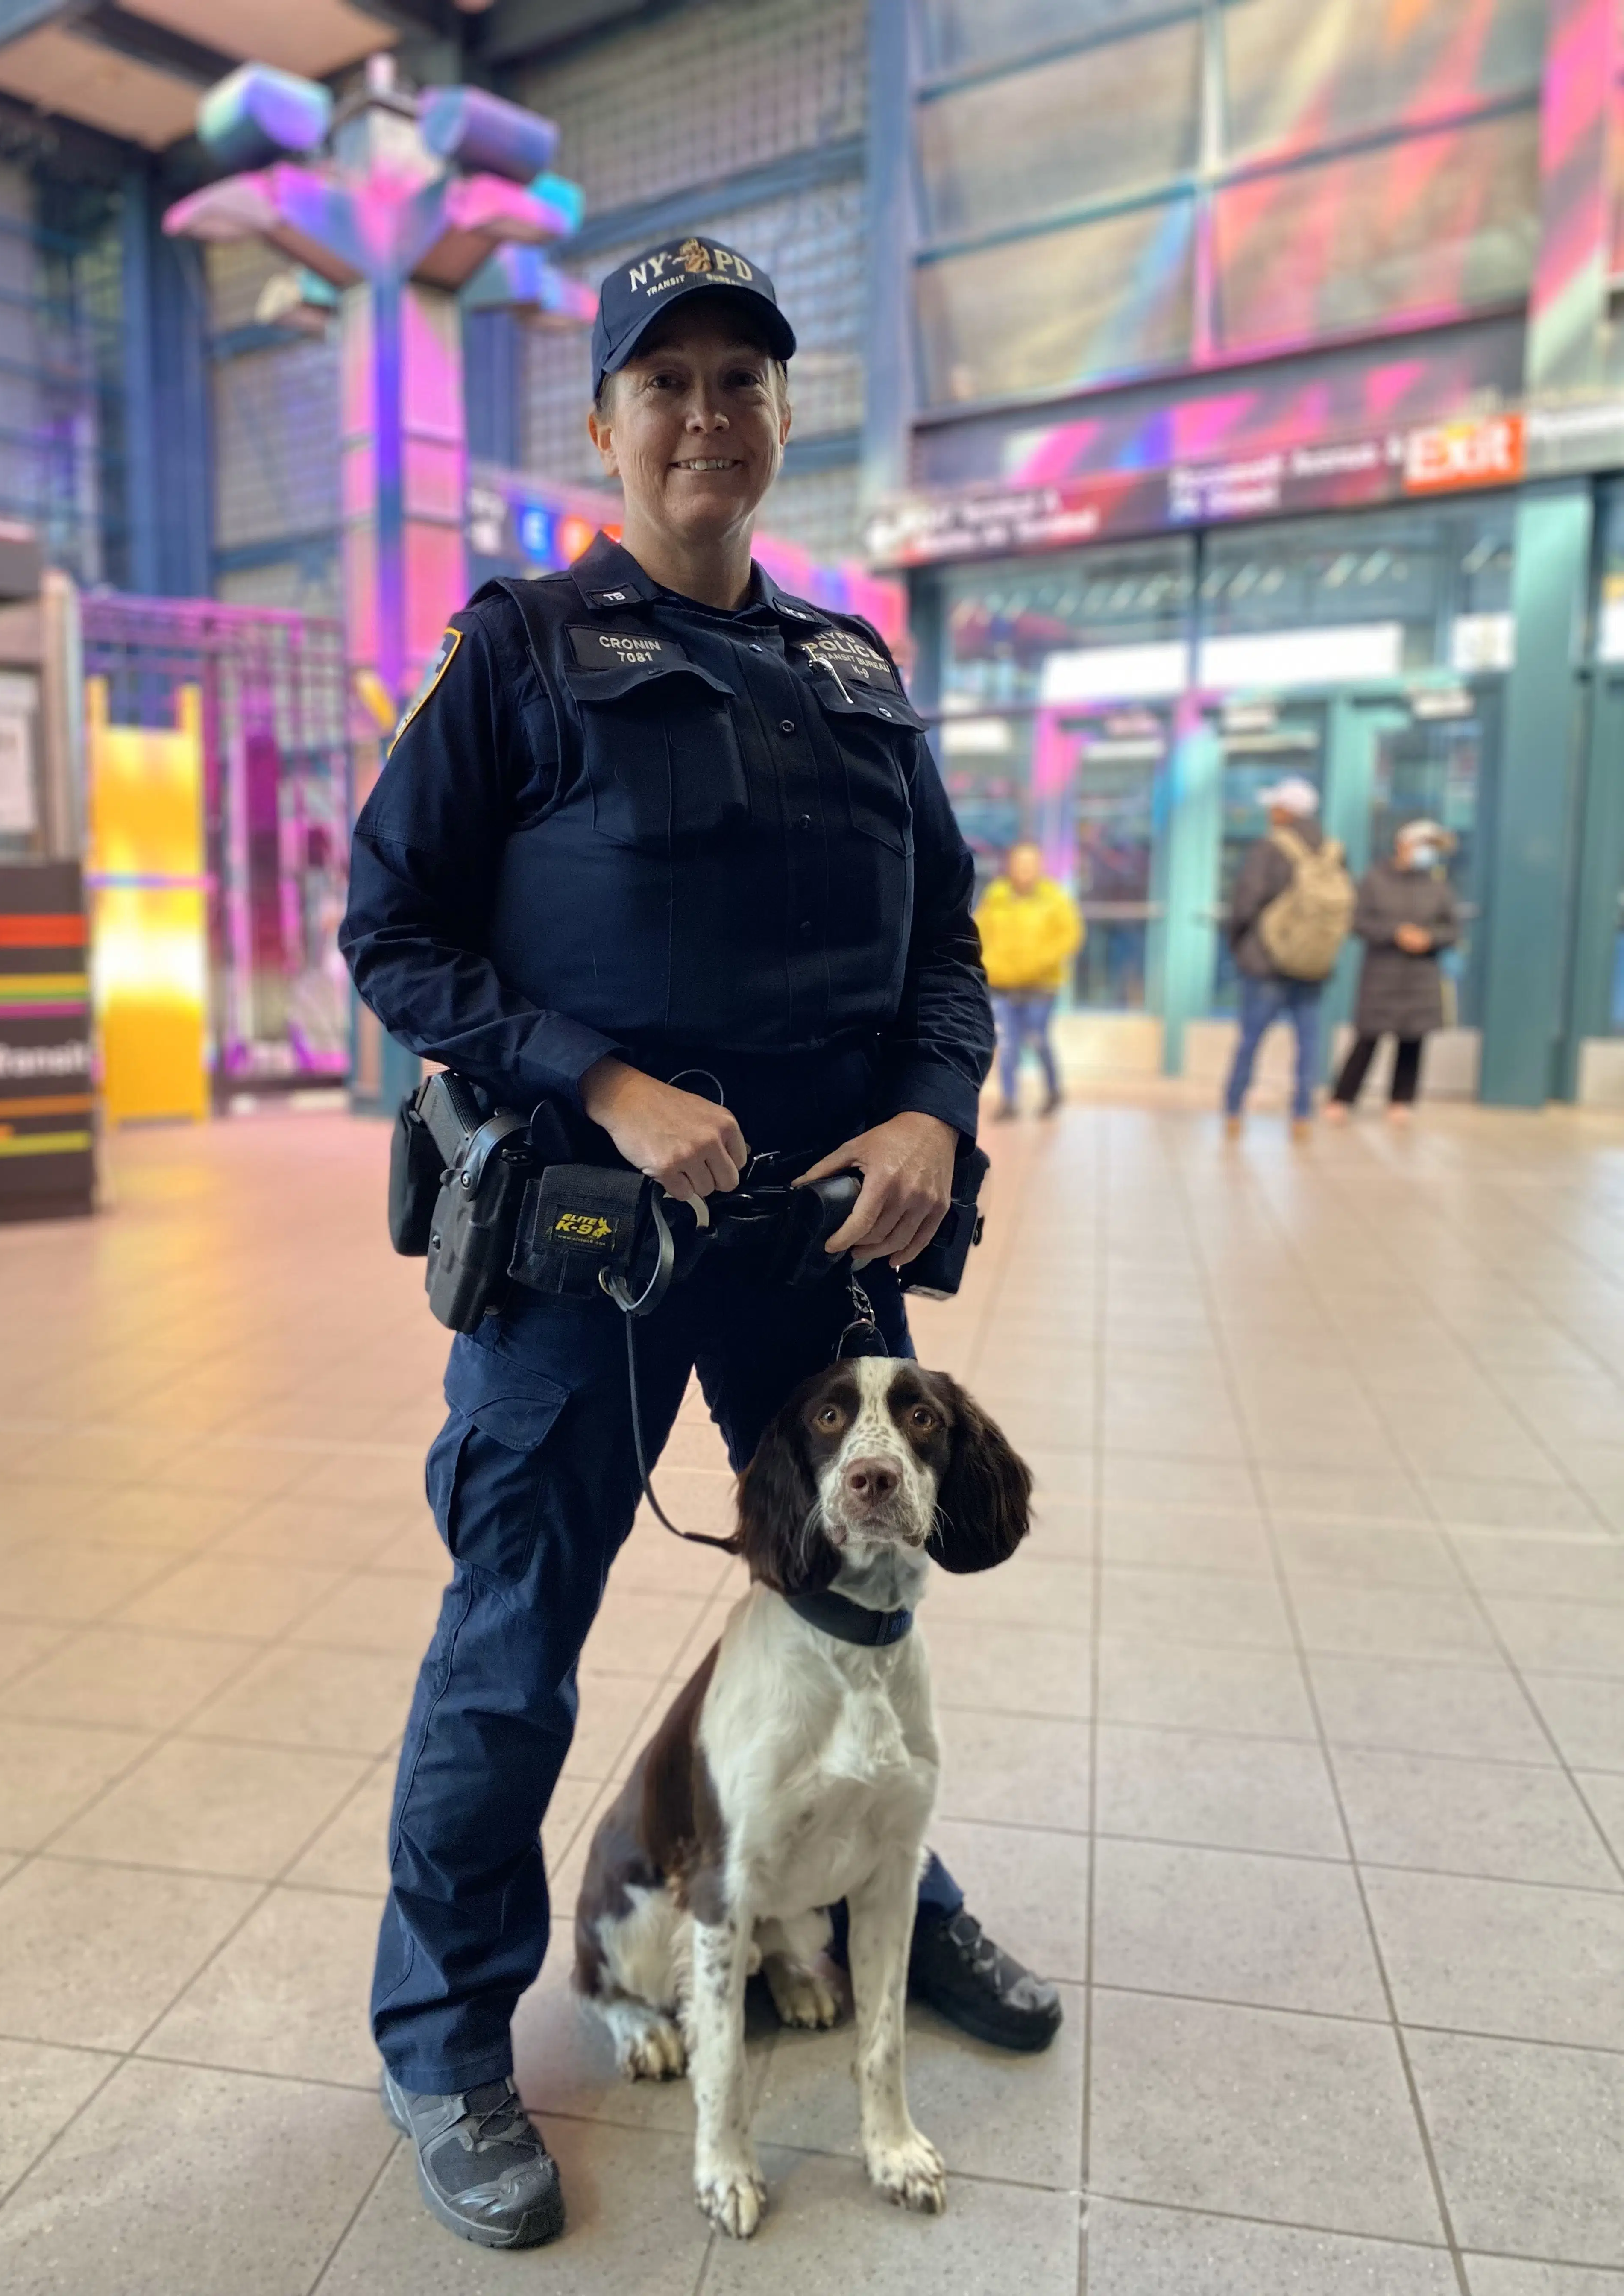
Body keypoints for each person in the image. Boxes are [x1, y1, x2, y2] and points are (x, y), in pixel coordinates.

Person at [339, 233, 1062, 2254]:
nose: (708, 414)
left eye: (744, 378)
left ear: (777, 419)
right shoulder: (520, 652)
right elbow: (392, 927)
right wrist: (605, 1079)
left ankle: (888, 1906)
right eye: (667, 381)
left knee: (861, 1606)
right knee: (517, 1645)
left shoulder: (857, 674)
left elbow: (946, 955)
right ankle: (445, 2040)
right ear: (603, 423)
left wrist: (934, 1107)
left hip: (818, 1245)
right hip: (592, 1241)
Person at [1222, 775, 1351, 1141]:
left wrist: (1239, 945)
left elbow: (1245, 902)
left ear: (1284, 811)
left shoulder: (1268, 849)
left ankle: (1234, 1107)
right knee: (1308, 1041)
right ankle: (1301, 1114)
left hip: (1266, 963)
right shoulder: (1334, 851)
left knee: (1251, 1037)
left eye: (1273, 806)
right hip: (1313, 965)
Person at [1323, 818, 1458, 1126]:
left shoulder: (1438, 887)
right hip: (1382, 972)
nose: (1426, 853)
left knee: (1412, 1040)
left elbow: (1452, 929)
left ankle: (1401, 1100)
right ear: (1403, 844)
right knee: (1368, 1037)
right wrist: (1395, 933)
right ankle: (1343, 1097)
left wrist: (1429, 939)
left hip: (1421, 976)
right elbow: (1358, 922)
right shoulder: (1374, 880)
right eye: (1423, 845)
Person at [976, 840, 1083, 1116]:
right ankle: (1009, 1101)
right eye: (1018, 863)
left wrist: (1039, 962)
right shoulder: (996, 896)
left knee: (1038, 1039)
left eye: (1030, 864)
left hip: (1041, 985)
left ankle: (1053, 1090)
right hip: (1002, 984)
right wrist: (990, 963)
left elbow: (1070, 936)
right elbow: (979, 933)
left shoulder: (1055, 898)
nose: (1024, 870)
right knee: (1008, 1044)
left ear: (1039, 866)